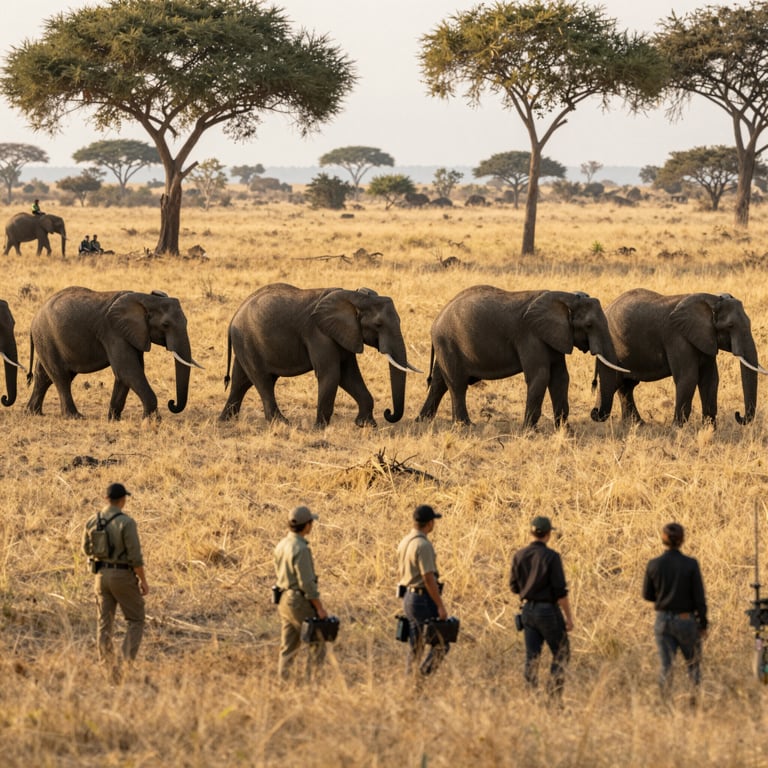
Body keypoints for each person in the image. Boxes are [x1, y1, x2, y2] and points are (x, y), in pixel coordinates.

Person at [83, 483, 149, 680]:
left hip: (100, 577)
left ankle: (107, 669)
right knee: (136, 619)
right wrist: (143, 580)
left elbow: (86, 550)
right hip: (122, 576)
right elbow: (135, 557)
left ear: (106, 499)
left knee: (104, 623)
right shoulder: (126, 522)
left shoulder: (92, 520)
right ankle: (123, 666)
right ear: (123, 500)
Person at [510, 515, 574, 700]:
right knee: (562, 653)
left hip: (527, 611)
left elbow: (514, 587)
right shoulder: (552, 557)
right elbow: (560, 591)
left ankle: (532, 696)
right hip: (548, 612)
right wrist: (568, 617)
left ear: (531, 533)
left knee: (532, 657)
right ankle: (553, 697)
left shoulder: (519, 555)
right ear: (548, 534)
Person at [643, 522, 708, 702]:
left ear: (663, 540)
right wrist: (703, 624)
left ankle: (664, 703)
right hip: (686, 620)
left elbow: (647, 595)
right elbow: (699, 599)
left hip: (663, 620)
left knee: (666, 666)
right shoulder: (691, 564)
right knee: (693, 665)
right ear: (682, 540)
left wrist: (664, 598)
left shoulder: (654, 564)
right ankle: (694, 702)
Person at [273, 505, 328, 681]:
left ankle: (283, 682)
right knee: (317, 642)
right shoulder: (301, 549)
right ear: (307, 525)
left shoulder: (281, 544)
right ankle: (312, 684)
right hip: (298, 600)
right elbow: (307, 584)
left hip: (283, 598)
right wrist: (319, 608)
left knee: (288, 645)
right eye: (311, 523)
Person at [397, 504, 449, 676]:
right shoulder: (423, 545)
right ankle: (420, 679)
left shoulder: (405, 541)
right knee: (441, 643)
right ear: (430, 523)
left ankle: (410, 679)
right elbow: (428, 578)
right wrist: (440, 605)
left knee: (416, 646)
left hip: (408, 597)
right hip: (422, 599)